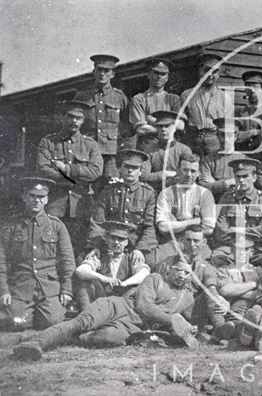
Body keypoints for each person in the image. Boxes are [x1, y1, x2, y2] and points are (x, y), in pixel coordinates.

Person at [13, 259, 200, 361]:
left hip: (133, 327)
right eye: (178, 270)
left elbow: (183, 320)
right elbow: (144, 307)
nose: (182, 275)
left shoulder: (188, 298)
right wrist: (173, 321)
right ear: (170, 270)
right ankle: (36, 344)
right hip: (116, 306)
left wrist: (189, 328)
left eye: (187, 272)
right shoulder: (155, 278)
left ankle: (56, 336)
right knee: (81, 323)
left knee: (103, 338)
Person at [0, 178, 75, 331]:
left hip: (48, 287)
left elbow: (68, 260)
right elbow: (1, 260)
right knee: (16, 322)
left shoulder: (56, 226)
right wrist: (4, 291)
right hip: (21, 285)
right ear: (24, 197)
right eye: (32, 196)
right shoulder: (11, 226)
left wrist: (66, 290)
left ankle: (38, 313)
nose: (36, 200)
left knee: (53, 322)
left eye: (40, 197)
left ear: (46, 200)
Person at [36, 100, 103, 247]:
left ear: (83, 120)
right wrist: (77, 177)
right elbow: (44, 170)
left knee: (78, 244)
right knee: (52, 243)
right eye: (70, 116)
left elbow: (96, 172)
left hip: (81, 203)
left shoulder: (90, 144)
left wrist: (66, 169)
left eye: (78, 118)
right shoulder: (48, 142)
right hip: (55, 202)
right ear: (62, 117)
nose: (74, 121)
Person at [89, 149, 157, 254]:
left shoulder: (148, 193)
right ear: (121, 169)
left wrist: (141, 249)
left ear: (140, 171)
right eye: (127, 166)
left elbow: (149, 227)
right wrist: (96, 246)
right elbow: (98, 223)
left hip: (136, 244)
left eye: (134, 168)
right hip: (110, 243)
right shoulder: (108, 191)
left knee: (149, 263)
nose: (130, 170)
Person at [73, 54, 129, 178]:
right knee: (85, 187)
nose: (102, 74)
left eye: (106, 71)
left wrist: (122, 150)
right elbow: (72, 124)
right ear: (94, 72)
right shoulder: (82, 96)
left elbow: (128, 125)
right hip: (86, 152)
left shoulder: (119, 97)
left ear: (113, 74)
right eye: (99, 70)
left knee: (111, 187)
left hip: (111, 155)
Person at [75, 221, 150, 310]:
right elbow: (81, 270)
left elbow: (145, 273)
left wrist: (124, 284)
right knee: (84, 283)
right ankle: (86, 314)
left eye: (121, 239)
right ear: (106, 240)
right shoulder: (99, 255)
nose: (116, 242)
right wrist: (104, 279)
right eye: (113, 238)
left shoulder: (131, 256)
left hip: (123, 303)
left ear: (126, 242)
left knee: (137, 289)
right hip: (101, 302)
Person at [210, 237, 262, 346]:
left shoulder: (259, 271)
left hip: (251, 308)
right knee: (234, 322)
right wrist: (253, 284)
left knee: (257, 311)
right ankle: (245, 334)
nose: (242, 253)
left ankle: (248, 334)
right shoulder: (224, 269)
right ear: (232, 250)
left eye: (246, 249)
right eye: (238, 249)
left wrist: (236, 290)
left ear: (251, 252)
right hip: (231, 311)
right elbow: (225, 290)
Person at [155, 154, 216, 244]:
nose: (189, 174)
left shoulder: (205, 194)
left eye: (193, 171)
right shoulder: (166, 193)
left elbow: (209, 228)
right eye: (185, 170)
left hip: (196, 243)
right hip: (172, 242)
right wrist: (194, 222)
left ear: (198, 173)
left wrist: (175, 225)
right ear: (178, 170)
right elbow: (163, 227)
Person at [180, 52, 232, 157]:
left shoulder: (225, 97)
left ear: (219, 74)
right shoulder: (187, 95)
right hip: (192, 140)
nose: (210, 75)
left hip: (215, 140)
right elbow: (181, 120)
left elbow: (228, 125)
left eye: (214, 72)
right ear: (200, 70)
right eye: (206, 70)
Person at [129, 58, 182, 152]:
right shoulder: (139, 99)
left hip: (170, 148)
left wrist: (150, 119)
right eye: (156, 73)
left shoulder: (174, 99)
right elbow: (141, 129)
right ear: (148, 74)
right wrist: (166, 129)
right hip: (147, 147)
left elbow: (181, 125)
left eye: (163, 74)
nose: (159, 77)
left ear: (167, 78)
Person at [140, 110, 192, 192]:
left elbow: (187, 174)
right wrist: (164, 174)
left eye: (167, 126)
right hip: (155, 191)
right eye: (160, 126)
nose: (163, 129)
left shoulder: (183, 150)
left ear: (174, 128)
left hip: (177, 191)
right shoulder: (150, 150)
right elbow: (143, 175)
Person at [198, 118, 248, 201]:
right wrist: (227, 183)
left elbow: (245, 187)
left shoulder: (244, 160)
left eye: (229, 135)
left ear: (235, 136)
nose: (225, 139)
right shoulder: (208, 160)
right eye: (222, 135)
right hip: (214, 203)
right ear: (217, 136)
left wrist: (214, 184)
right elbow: (204, 187)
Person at [235, 70, 262, 161]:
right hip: (241, 157)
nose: (252, 91)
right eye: (248, 88)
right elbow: (233, 136)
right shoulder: (238, 113)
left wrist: (254, 132)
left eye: (256, 87)